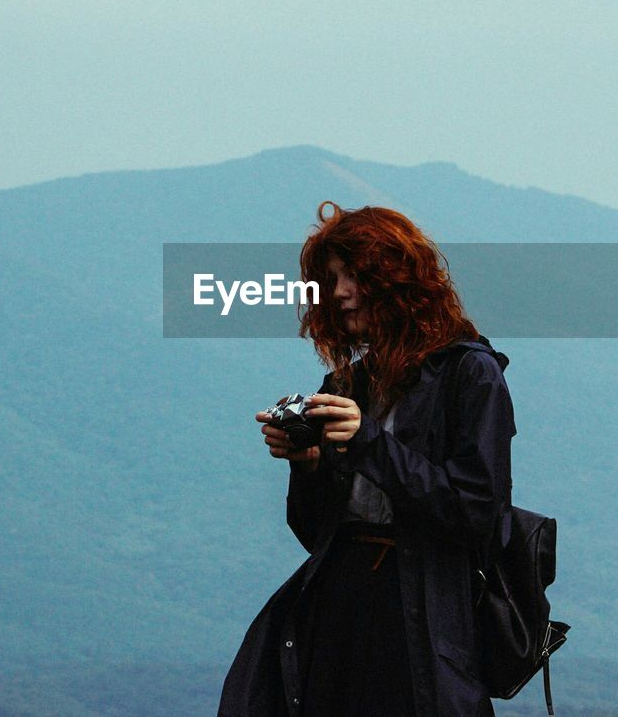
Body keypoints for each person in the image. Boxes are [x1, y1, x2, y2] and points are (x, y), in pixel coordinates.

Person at [218, 201, 517, 717]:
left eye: (354, 275)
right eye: (331, 279)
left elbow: (476, 513)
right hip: (340, 605)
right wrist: (306, 462)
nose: (338, 293)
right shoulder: (348, 383)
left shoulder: (470, 374)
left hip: (422, 615)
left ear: (399, 280)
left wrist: (369, 443)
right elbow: (317, 532)